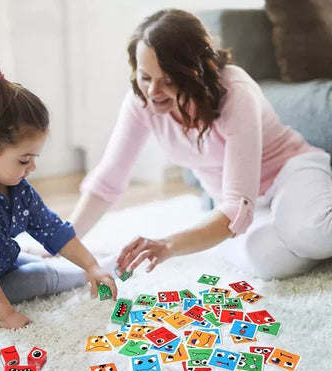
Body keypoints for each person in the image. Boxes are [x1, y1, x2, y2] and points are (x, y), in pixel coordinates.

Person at [69, 9, 332, 279]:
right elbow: (109, 178)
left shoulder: (235, 92)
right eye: (145, 77)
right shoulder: (142, 101)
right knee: (263, 259)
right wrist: (65, 241)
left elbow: (235, 205)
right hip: (246, 207)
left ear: (195, 74)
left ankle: (304, 230)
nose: (152, 92)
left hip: (288, 173)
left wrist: (167, 246)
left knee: (311, 231)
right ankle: (299, 236)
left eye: (168, 80)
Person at [0, 55, 117, 330]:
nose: (32, 167)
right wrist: (7, 315)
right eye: (24, 159)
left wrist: (91, 265)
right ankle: (83, 274)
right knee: (42, 276)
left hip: (0, 256)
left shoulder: (16, 185)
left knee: (42, 257)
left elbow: (52, 228)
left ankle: (94, 266)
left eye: (34, 157)